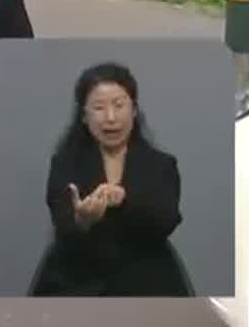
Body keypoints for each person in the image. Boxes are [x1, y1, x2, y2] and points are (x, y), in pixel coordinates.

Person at [28, 61, 192, 297]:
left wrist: (125, 200)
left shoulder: (161, 164)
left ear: (134, 110)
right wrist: (82, 219)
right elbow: (62, 222)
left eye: (119, 105)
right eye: (99, 107)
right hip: (75, 282)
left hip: (148, 281)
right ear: (84, 116)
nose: (111, 117)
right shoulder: (65, 162)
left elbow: (167, 220)